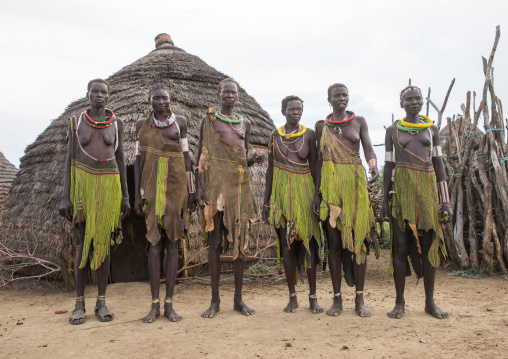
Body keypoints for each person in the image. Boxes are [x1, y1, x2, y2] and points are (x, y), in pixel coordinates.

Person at [59, 79, 130, 325]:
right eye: (95, 91)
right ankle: (79, 303)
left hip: (109, 186)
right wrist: (65, 196)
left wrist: (125, 196)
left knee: (104, 244)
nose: (99, 95)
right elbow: (69, 161)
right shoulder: (76, 123)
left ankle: (101, 301)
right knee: (82, 245)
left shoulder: (117, 124)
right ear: (88, 95)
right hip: (83, 188)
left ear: (109, 96)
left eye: (103, 92)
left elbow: (121, 160)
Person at [380, 86, 451, 319]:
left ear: (423, 102)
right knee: (400, 248)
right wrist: (384, 200)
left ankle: (430, 302)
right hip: (401, 194)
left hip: (428, 193)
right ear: (401, 104)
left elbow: (439, 165)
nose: (414, 102)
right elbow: (389, 166)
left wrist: (445, 201)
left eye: (417, 98)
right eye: (408, 99)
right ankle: (399, 302)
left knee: (429, 249)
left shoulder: (431, 130)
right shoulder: (393, 130)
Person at [195, 78, 263, 318]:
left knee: (240, 244)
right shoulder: (209, 120)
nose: (230, 95)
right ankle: (215, 301)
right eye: (226, 92)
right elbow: (201, 154)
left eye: (233, 92)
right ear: (219, 94)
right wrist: (199, 188)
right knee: (214, 242)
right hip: (215, 186)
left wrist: (252, 161)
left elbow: (242, 156)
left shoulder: (246, 123)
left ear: (238, 96)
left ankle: (238, 299)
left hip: (240, 185)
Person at [313, 83, 379, 317]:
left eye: (345, 95)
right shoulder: (322, 127)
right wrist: (317, 194)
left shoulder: (359, 121)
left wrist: (372, 166)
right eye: (337, 95)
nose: (342, 98)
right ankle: (337, 300)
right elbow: (319, 162)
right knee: (334, 245)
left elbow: (369, 150)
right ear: (329, 99)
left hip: (354, 186)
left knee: (359, 241)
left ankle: (359, 300)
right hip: (330, 190)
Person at [134, 83, 195, 323]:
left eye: (164, 98)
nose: (161, 101)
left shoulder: (180, 123)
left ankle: (169, 305)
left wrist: (192, 190)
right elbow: (138, 161)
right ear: (149, 100)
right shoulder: (141, 125)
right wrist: (139, 193)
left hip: (177, 188)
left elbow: (187, 158)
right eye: (156, 98)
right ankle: (154, 305)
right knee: (154, 244)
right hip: (151, 191)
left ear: (170, 99)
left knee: (172, 244)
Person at [262, 95, 322, 313]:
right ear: (283, 111)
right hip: (280, 196)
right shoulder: (274, 137)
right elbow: (270, 170)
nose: (295, 112)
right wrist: (266, 201)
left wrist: (317, 195)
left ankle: (313, 297)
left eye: (299, 109)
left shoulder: (309, 135)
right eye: (291, 109)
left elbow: (315, 165)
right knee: (286, 247)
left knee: (308, 245)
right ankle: (292, 296)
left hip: (305, 194)